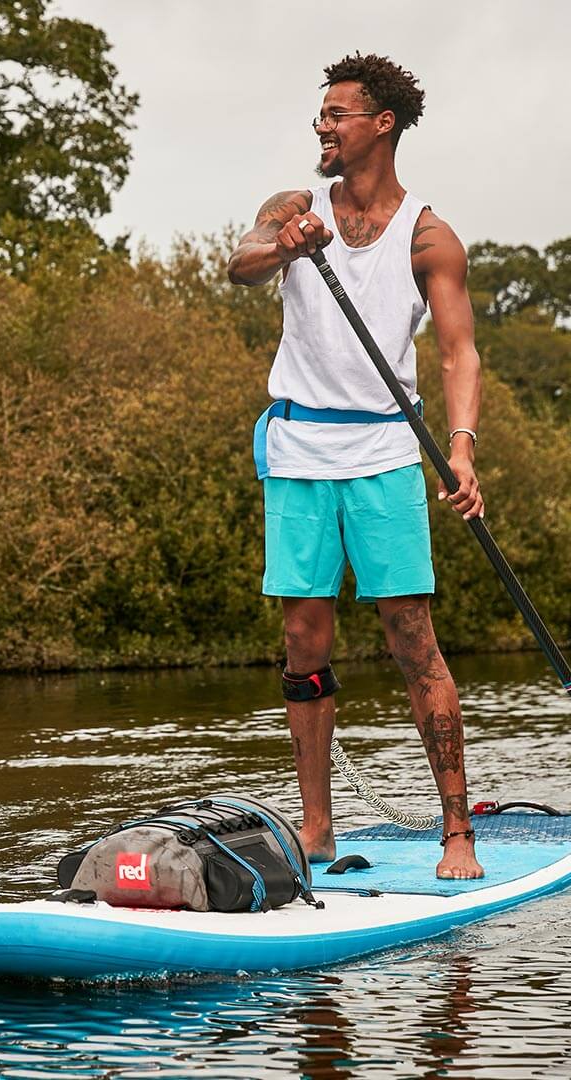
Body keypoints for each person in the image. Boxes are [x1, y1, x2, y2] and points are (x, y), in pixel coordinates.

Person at [227, 53, 486, 879]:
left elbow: (458, 354)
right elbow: (241, 263)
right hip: (298, 450)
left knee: (412, 639)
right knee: (303, 639)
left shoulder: (431, 237)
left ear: (380, 125)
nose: (321, 128)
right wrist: (287, 246)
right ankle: (316, 831)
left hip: (382, 449)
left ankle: (456, 833)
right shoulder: (295, 207)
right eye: (319, 115)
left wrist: (461, 449)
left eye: (336, 115)